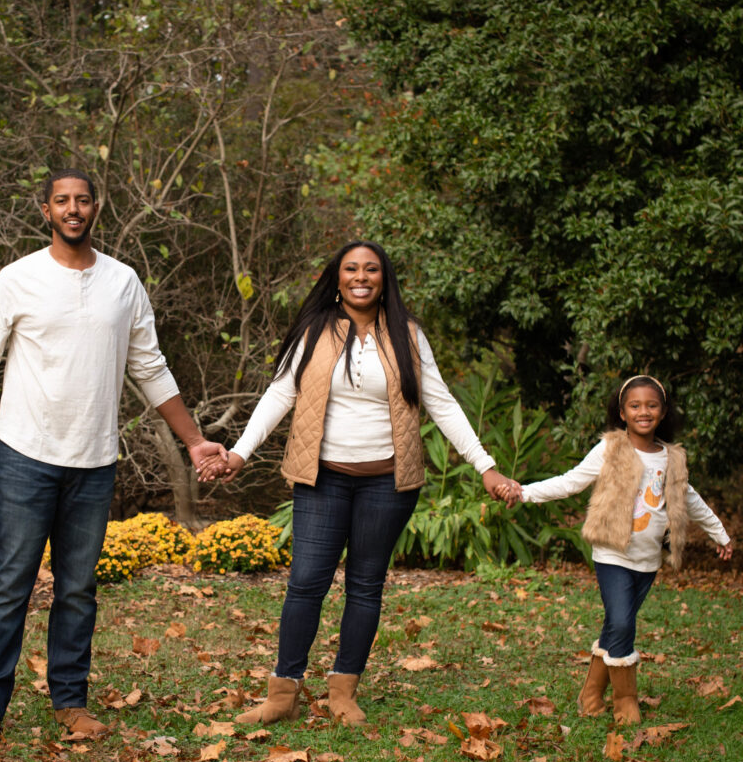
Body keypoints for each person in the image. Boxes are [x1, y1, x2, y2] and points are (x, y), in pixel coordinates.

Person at [0, 169, 227, 747]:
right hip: (25, 457)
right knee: (10, 584)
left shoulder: (123, 282)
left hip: (93, 462)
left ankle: (71, 702)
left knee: (78, 589)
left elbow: (150, 367)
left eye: (83, 200)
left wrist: (193, 441)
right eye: (62, 201)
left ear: (96, 208)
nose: (73, 208)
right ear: (46, 211)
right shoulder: (18, 279)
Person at [199, 241, 519, 726]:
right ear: (338, 276)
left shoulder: (408, 335)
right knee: (306, 583)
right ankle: (282, 694)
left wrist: (485, 465)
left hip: (387, 485)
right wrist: (240, 452)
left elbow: (442, 401)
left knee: (366, 586)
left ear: (384, 278)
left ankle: (343, 693)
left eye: (371, 269)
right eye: (351, 269)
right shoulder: (315, 330)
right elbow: (280, 392)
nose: (361, 276)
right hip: (322, 479)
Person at [504, 374, 732, 725]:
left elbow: (691, 499)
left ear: (664, 411)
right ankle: (625, 698)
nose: (644, 411)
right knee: (624, 622)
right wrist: (526, 492)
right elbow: (571, 481)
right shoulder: (612, 449)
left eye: (652, 405)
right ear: (622, 413)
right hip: (613, 553)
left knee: (617, 624)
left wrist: (720, 534)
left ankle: (590, 693)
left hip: (648, 559)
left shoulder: (671, 458)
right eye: (635, 405)